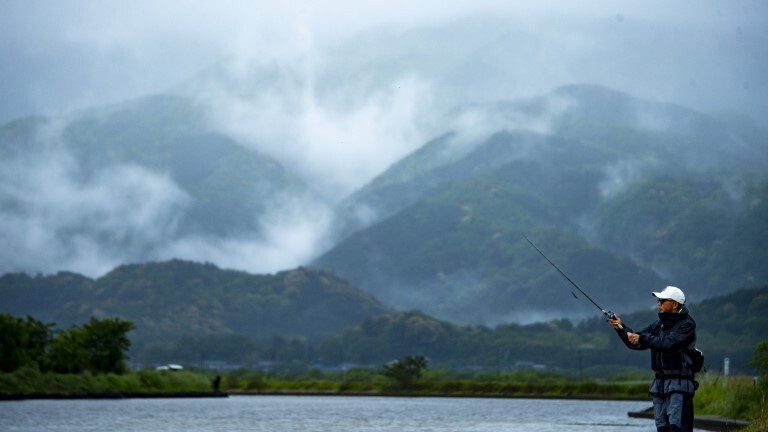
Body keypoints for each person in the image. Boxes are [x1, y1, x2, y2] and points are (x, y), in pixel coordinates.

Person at [609, 286, 698, 432]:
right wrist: (621, 328)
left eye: (662, 300)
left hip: (679, 385)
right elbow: (637, 341)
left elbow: (670, 344)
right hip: (660, 385)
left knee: (678, 428)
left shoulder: (687, 324)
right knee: (662, 428)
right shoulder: (658, 325)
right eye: (658, 300)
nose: (658, 303)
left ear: (675, 304)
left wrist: (642, 338)